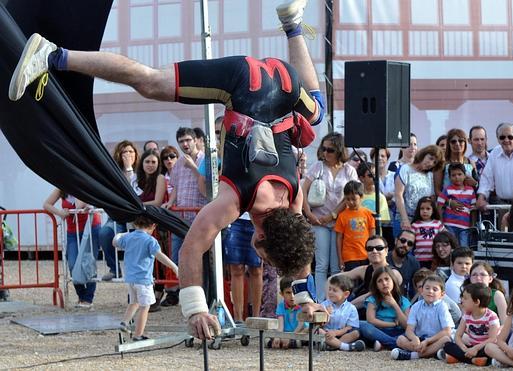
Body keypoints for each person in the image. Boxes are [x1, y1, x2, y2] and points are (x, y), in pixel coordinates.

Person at [10, 0, 327, 339]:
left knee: (317, 112)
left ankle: (293, 24)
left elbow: (299, 254)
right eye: (267, 257)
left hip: (285, 82)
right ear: (260, 239)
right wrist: (196, 309)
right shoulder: (236, 201)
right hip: (244, 81)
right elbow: (192, 247)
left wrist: (305, 299)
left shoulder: (292, 200)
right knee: (150, 82)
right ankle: (53, 55)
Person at [303, 132, 357, 301]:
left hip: (339, 221)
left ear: (339, 151)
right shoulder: (318, 167)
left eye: (330, 150)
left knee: (336, 266)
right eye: (324, 149)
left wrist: (333, 214)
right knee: (321, 265)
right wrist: (309, 213)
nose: (325, 153)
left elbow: (351, 195)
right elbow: (302, 191)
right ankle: (320, 300)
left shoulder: (349, 170)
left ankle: (335, 300)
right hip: (318, 221)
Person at [160, 127, 207, 307]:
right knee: (178, 255)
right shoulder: (178, 163)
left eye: (188, 140)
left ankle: (200, 292)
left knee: (198, 256)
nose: (185, 144)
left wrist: (194, 168)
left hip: (200, 216)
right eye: (181, 141)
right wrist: (170, 202)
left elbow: (207, 188)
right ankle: (183, 292)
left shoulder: (205, 159)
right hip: (182, 215)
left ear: (195, 140)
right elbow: (176, 187)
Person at [114, 216, 178, 341]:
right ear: (153, 226)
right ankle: (138, 334)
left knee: (134, 303)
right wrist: (174, 267)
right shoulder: (150, 240)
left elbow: (115, 242)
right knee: (145, 307)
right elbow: (159, 255)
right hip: (143, 279)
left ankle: (124, 322)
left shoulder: (128, 237)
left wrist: (121, 234)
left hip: (130, 279)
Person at [43, 189, 101, 308]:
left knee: (88, 262)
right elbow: (46, 204)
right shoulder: (61, 188)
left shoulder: (84, 185)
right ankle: (81, 295)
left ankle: (88, 298)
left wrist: (76, 186)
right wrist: (60, 213)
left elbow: (79, 205)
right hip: (72, 231)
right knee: (72, 263)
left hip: (90, 227)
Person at [99, 140, 140, 281]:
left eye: (131, 151)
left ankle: (136, 278)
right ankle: (114, 269)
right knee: (105, 234)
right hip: (117, 216)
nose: (128, 154)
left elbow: (133, 191)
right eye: (124, 152)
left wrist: (129, 169)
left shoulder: (140, 171)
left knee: (135, 247)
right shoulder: (114, 172)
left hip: (136, 218)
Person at [132, 149, 168, 311]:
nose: (150, 165)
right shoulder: (136, 180)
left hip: (155, 223)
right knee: (142, 259)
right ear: (142, 163)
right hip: (139, 224)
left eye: (154, 162)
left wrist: (139, 207)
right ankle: (143, 296)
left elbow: (158, 201)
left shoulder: (160, 178)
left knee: (156, 261)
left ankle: (157, 295)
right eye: (147, 161)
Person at [390, 275, 454, 361]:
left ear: (442, 294)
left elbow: (447, 331)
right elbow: (409, 330)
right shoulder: (416, 306)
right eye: (427, 288)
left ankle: (413, 355)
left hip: (435, 339)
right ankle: (431, 353)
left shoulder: (442, 306)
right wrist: (414, 338)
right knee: (400, 339)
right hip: (420, 339)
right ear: (422, 291)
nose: (430, 291)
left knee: (446, 339)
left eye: (435, 289)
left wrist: (428, 341)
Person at [334, 235, 402, 312]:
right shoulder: (364, 270)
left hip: (386, 319)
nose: (374, 251)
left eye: (379, 248)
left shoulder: (394, 273)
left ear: (386, 251)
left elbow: (370, 297)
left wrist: (344, 309)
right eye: (370, 249)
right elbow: (333, 278)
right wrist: (329, 298)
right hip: (366, 316)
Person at [442, 283, 500, 366]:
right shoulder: (466, 315)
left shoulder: (491, 316)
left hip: (483, 348)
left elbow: (492, 339)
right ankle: (474, 360)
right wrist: (464, 348)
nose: (461, 300)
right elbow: (458, 336)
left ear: (476, 302)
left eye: (465, 298)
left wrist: (476, 348)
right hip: (471, 346)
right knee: (447, 345)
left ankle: (460, 358)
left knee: (489, 350)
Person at [359, 266, 411, 351]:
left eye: (387, 279)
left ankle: (384, 344)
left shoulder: (404, 301)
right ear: (376, 285)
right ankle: (394, 344)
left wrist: (394, 304)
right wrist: (393, 324)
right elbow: (371, 320)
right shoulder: (372, 299)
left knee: (411, 333)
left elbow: (407, 325)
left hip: (398, 332)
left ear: (393, 281)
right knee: (362, 324)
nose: (384, 283)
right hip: (378, 331)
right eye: (380, 281)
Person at [394, 145, 441, 232]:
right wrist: (405, 220)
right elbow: (398, 195)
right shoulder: (405, 169)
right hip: (404, 220)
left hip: (422, 223)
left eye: (434, 162)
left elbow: (432, 198)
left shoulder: (430, 175)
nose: (431, 163)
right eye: (430, 158)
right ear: (423, 154)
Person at [335, 181, 376, 271]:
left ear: (361, 197)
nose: (351, 202)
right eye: (347, 199)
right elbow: (339, 238)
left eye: (354, 199)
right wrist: (340, 259)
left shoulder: (368, 214)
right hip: (350, 257)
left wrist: (372, 254)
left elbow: (372, 236)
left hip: (366, 255)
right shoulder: (342, 216)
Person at [319, 275, 365, 352]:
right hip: (326, 334)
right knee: (319, 331)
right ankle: (345, 347)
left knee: (356, 333)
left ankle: (331, 345)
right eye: (329, 289)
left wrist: (336, 333)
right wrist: (326, 315)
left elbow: (349, 327)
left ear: (346, 294)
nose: (330, 292)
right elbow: (319, 324)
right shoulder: (324, 305)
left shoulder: (351, 308)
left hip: (342, 335)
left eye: (334, 290)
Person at [437, 163, 476, 246]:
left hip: (465, 226)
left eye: (459, 174)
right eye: (453, 175)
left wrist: (472, 225)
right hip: (449, 225)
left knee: (464, 246)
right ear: (450, 177)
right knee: (451, 245)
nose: (457, 177)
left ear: (465, 175)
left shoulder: (470, 190)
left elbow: (473, 209)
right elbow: (439, 206)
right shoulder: (447, 190)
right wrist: (441, 223)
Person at [436, 128, 478, 194]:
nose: (457, 144)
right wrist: (449, 202)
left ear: (465, 143)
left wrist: (475, 183)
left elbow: (477, 186)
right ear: (448, 144)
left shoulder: (471, 162)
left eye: (461, 141)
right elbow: (437, 190)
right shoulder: (441, 164)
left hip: (468, 202)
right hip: (448, 203)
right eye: (453, 141)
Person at [356, 162, 390, 238]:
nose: (375, 177)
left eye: (376, 174)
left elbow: (384, 220)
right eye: (371, 175)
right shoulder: (356, 197)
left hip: (375, 237)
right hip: (358, 236)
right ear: (361, 178)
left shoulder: (380, 197)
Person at [270, 276, 304, 349]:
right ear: (282, 294)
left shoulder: (302, 305)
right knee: (272, 333)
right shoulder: (281, 306)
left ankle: (291, 342)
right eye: (288, 293)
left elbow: (301, 325)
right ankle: (284, 342)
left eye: (294, 292)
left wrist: (290, 337)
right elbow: (280, 326)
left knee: (305, 332)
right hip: (286, 332)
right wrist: (278, 337)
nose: (292, 296)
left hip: (299, 331)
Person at [410, 196, 443, 268]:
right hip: (419, 259)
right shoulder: (415, 225)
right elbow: (410, 241)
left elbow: (446, 236)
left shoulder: (438, 224)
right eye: (422, 209)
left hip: (435, 259)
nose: (425, 211)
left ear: (433, 210)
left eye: (428, 209)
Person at [386, 229, 420, 299]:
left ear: (412, 248)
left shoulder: (414, 263)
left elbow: (418, 289)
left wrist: (411, 305)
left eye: (409, 243)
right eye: (403, 240)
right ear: (396, 241)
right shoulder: (384, 259)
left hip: (405, 304)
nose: (405, 245)